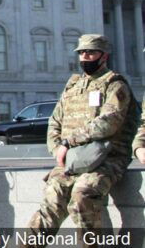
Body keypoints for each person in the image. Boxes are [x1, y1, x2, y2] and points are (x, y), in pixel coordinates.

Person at [25, 34, 140, 236]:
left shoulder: (115, 85)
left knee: (82, 195)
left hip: (108, 158)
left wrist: (69, 142)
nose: (85, 57)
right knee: (51, 201)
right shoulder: (73, 87)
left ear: (103, 56)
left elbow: (109, 122)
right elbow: (55, 122)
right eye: (81, 53)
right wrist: (58, 150)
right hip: (72, 161)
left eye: (91, 52)